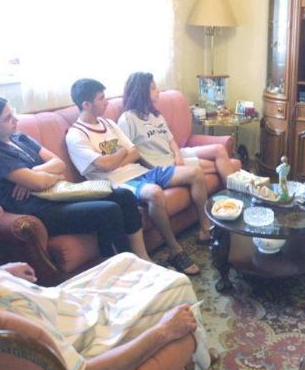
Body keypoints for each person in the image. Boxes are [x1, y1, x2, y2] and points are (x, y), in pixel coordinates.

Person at [0, 166, 211, 370]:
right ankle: (194, 355)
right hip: (80, 330)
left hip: (53, 305)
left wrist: (0, 273)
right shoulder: (10, 320)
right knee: (175, 283)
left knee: (126, 260)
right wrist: (164, 332)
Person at [0, 94, 149, 260]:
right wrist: (41, 178)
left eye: (12, 113)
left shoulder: (19, 138)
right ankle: (122, 266)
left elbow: (58, 163)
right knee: (109, 210)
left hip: (58, 193)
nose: (15, 120)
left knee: (124, 196)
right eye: (7, 118)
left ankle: (142, 258)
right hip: (37, 208)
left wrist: (33, 173)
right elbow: (39, 184)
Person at [65, 78, 209, 276]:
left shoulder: (108, 123)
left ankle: (206, 229)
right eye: (101, 98)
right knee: (154, 193)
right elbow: (104, 166)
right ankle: (175, 249)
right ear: (86, 105)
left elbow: (134, 152)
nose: (106, 101)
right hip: (119, 183)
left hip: (141, 172)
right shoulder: (76, 135)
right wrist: (119, 155)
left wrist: (115, 159)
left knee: (195, 173)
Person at [118, 71, 236, 186]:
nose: (158, 91)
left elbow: (170, 140)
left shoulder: (155, 115)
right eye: (153, 88)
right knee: (218, 165)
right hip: (163, 164)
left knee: (219, 149)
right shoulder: (128, 119)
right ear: (141, 92)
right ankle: (232, 199)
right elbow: (127, 153)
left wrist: (178, 155)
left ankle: (233, 197)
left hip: (175, 154)